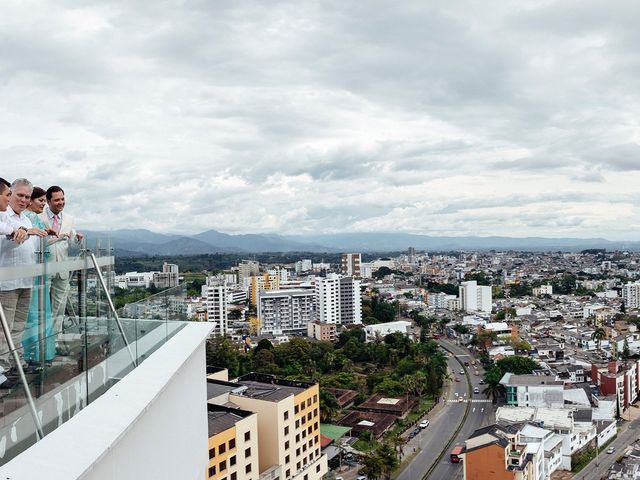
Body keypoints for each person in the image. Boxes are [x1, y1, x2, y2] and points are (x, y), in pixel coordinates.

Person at [0, 179, 47, 378]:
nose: (24, 200)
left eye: (27, 197)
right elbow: (3, 247)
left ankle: (16, 362)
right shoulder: (4, 218)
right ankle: (3, 369)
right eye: (20, 195)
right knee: (4, 330)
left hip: (26, 281)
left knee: (19, 326)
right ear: (10, 194)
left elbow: (33, 250)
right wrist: (21, 236)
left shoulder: (27, 220)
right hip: (7, 283)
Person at [39, 186, 83, 346]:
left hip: (63, 267)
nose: (61, 202)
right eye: (57, 199)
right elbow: (38, 242)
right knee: (43, 306)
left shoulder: (69, 218)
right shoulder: (40, 216)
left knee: (60, 305)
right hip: (45, 267)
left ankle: (55, 340)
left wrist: (76, 240)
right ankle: (41, 340)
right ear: (48, 201)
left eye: (62, 199)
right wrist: (58, 238)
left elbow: (71, 246)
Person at [22, 187, 57, 366]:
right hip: (35, 270)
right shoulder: (32, 219)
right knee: (38, 311)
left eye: (44, 201)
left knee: (32, 313)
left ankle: (31, 353)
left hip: (33, 270)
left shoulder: (28, 218)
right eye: (41, 200)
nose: (43, 204)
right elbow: (41, 247)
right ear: (31, 201)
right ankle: (40, 353)